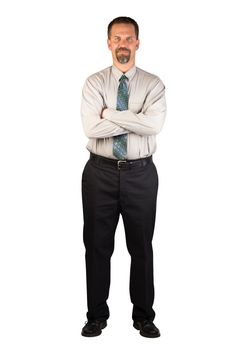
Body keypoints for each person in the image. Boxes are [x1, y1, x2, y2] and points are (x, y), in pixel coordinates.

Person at [80, 16, 166, 338]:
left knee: (141, 247)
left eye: (128, 39)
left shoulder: (153, 85)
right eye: (117, 39)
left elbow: (154, 126)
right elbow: (91, 128)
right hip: (99, 174)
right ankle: (96, 316)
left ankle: (144, 317)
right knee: (97, 247)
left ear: (137, 43)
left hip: (141, 175)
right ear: (108, 43)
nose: (123, 45)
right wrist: (136, 119)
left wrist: (110, 114)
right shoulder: (94, 83)